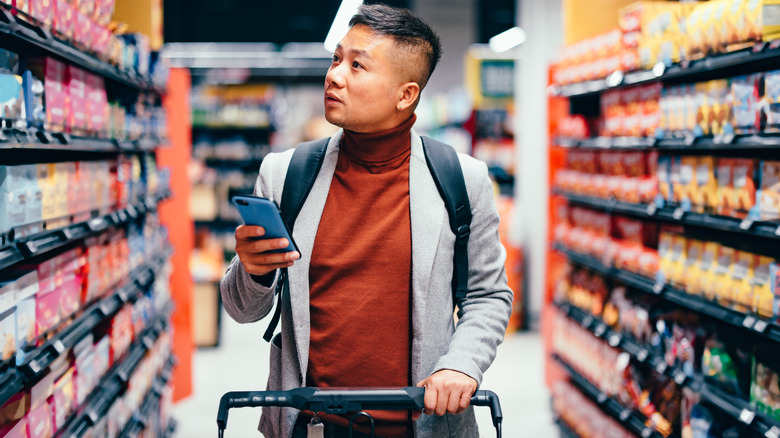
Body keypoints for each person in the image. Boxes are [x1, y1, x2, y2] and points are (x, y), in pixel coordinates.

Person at [220, 4, 513, 437]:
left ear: (405, 95)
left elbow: (487, 296)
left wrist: (462, 365)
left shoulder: (460, 180)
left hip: (422, 424)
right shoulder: (285, 175)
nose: (335, 75)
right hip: (310, 425)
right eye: (337, 59)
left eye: (358, 65)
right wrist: (255, 272)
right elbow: (242, 309)